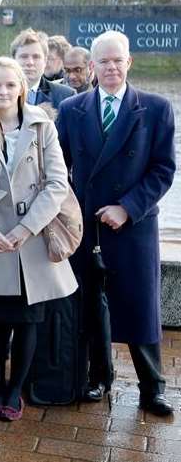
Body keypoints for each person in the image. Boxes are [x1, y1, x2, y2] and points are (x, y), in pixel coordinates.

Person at [57, 30, 176, 416]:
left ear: (129, 62)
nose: (110, 67)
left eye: (117, 60)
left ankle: (152, 385)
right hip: (87, 224)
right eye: (103, 61)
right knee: (90, 304)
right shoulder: (72, 109)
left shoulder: (156, 108)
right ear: (91, 66)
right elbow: (58, 169)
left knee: (141, 305)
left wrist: (127, 207)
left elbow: (163, 169)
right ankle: (98, 377)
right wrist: (70, 212)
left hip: (133, 224)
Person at [0, 57, 78, 422]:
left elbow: (56, 183)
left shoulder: (41, 125)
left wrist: (25, 228)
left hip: (30, 238)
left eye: (9, 85)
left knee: (27, 320)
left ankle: (15, 391)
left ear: (21, 87)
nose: (3, 92)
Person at [12, 29, 75, 109]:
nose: (30, 62)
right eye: (24, 56)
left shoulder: (66, 96)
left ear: (45, 61)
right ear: (13, 60)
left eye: (36, 57)